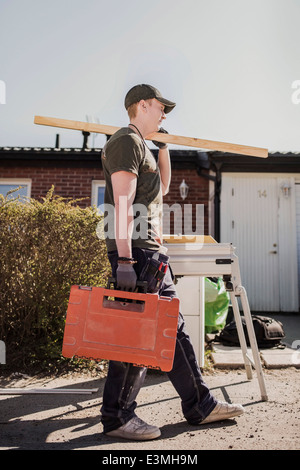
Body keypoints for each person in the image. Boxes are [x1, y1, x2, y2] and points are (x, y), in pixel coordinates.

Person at [100, 84, 244, 440]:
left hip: (148, 252)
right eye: (162, 109)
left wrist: (163, 148)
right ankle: (117, 417)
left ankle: (200, 404)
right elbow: (122, 203)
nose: (165, 116)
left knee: (172, 329)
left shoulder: (143, 146)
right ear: (143, 105)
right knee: (135, 335)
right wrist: (125, 260)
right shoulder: (126, 141)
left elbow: (163, 189)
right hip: (137, 252)